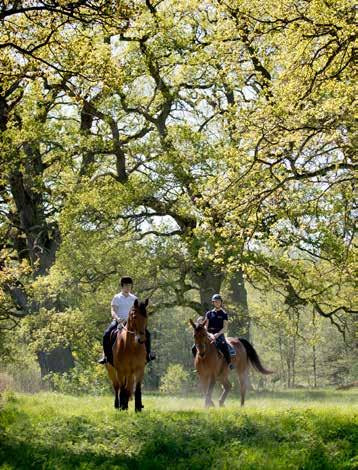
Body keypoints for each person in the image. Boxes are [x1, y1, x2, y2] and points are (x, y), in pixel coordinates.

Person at [98, 276, 155, 365]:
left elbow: (137, 312)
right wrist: (118, 319)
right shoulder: (117, 297)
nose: (128, 287)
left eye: (129, 285)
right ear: (122, 286)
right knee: (106, 334)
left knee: (147, 333)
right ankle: (105, 356)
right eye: (126, 285)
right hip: (119, 321)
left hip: (131, 323)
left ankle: (148, 354)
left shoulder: (134, 298)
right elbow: (113, 310)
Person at [192, 293, 234, 369]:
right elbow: (206, 326)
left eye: (218, 301)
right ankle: (197, 364)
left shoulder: (224, 314)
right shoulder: (209, 314)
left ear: (221, 302)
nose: (217, 303)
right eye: (215, 301)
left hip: (219, 334)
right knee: (194, 347)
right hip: (209, 334)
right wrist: (210, 334)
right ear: (213, 303)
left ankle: (229, 363)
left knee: (223, 346)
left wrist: (217, 335)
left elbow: (225, 328)